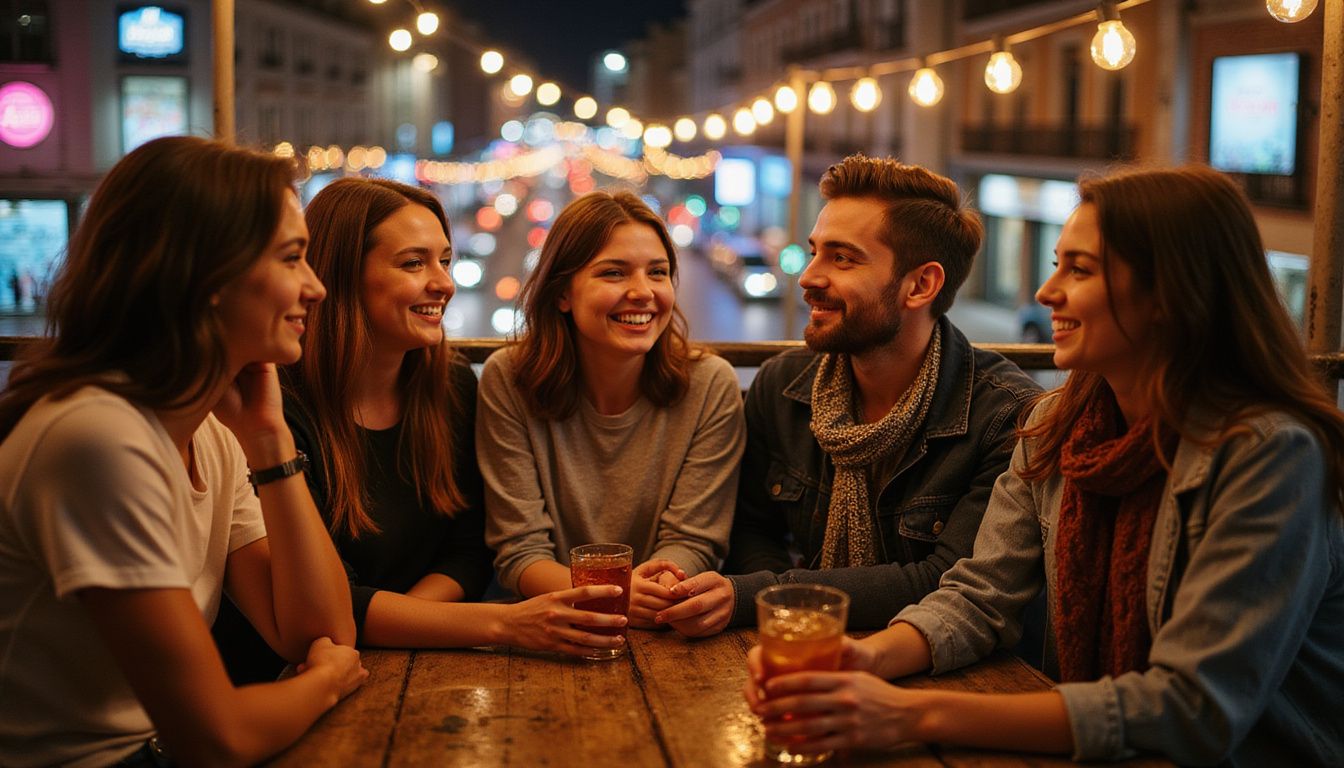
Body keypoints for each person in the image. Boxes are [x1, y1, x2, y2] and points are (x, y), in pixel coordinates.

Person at [744, 165, 1344, 766]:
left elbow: (1192, 708)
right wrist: (866, 658)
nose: (1044, 291)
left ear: (1170, 295)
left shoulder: (1270, 454)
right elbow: (978, 595)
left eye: (1078, 269)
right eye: (1056, 263)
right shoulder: (1058, 425)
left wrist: (907, 713)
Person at [0, 136, 366, 768]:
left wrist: (270, 441)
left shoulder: (210, 432)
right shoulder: (99, 437)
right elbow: (217, 737)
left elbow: (317, 631)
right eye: (292, 258)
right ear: (208, 276)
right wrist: (326, 682)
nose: (317, 288)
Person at [220, 177, 630, 661]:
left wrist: (405, 626)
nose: (445, 283)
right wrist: (506, 623)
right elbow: (324, 604)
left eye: (445, 260)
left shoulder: (450, 383)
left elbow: (467, 551)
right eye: (414, 263)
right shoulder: (270, 407)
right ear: (339, 275)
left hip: (398, 656)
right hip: (288, 675)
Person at [657, 155, 1039, 637]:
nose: (808, 277)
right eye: (815, 251)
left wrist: (763, 597)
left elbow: (944, 582)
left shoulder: (1003, 415)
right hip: (795, 648)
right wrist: (785, 615)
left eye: (842, 258)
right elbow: (753, 529)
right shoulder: (783, 387)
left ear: (921, 285)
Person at [478, 190, 746, 628]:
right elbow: (520, 551)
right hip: (548, 622)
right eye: (614, 273)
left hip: (665, 616)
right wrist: (615, 595)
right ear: (562, 292)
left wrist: (651, 590)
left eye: (657, 273)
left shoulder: (710, 383)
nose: (642, 292)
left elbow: (694, 542)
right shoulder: (508, 379)